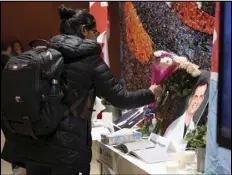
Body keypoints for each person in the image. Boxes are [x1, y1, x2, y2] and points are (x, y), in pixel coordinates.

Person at [1, 5, 163, 175]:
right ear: (84, 30)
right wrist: (151, 93)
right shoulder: (89, 61)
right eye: (95, 31)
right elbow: (120, 98)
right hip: (68, 154)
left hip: (34, 149)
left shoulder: (45, 56)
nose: (97, 36)